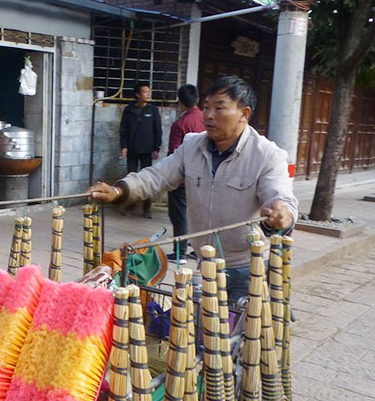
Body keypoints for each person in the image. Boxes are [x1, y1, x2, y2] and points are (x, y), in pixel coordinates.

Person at [90, 75, 297, 302]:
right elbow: (158, 175)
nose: (208, 115)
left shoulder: (267, 155)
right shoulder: (192, 146)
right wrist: (120, 190)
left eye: (219, 108)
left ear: (244, 114)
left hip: (247, 268)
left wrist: (281, 213)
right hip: (204, 263)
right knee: (201, 331)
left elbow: (279, 195)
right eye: (206, 107)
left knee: (242, 333)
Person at [166, 84, 205, 261]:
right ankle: (200, 250)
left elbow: (174, 154)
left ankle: (180, 251)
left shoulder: (180, 124)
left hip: (183, 178)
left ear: (180, 102)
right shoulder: (206, 118)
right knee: (199, 212)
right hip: (204, 175)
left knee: (179, 214)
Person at [119, 82, 161, 218]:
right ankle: (130, 205)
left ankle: (147, 208)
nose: (148, 94)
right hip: (132, 149)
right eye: (145, 92)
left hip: (147, 150)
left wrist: (156, 148)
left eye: (149, 92)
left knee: (147, 179)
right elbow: (123, 130)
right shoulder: (129, 110)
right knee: (131, 177)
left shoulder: (153, 110)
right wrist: (124, 146)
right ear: (137, 94)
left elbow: (157, 130)